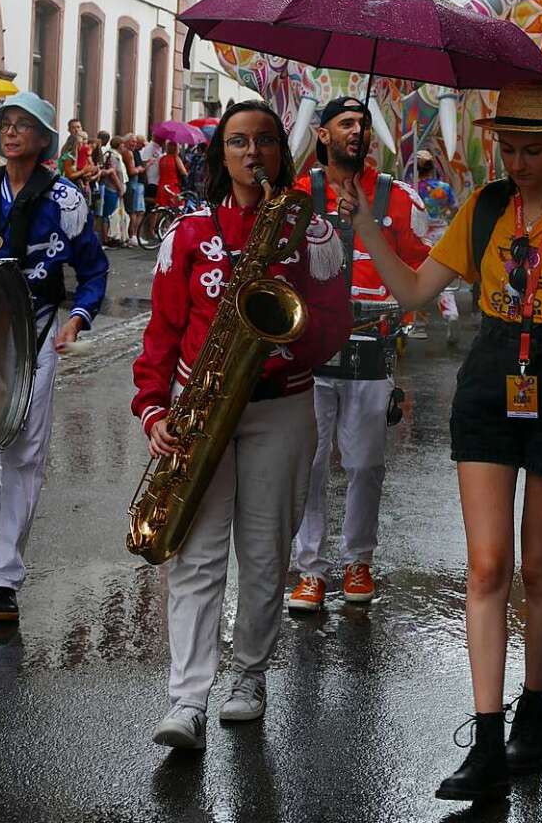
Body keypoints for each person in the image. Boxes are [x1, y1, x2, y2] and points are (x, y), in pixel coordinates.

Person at [338, 80, 542, 802]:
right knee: (483, 566)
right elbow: (414, 292)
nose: (517, 161)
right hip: (490, 378)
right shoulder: (483, 209)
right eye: (506, 147)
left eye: (531, 149)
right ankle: (484, 740)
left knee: (539, 569)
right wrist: (365, 228)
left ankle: (530, 712)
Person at [131, 99, 350, 749]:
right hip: (200, 408)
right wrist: (152, 408)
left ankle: (247, 678)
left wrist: (288, 348)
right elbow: (163, 330)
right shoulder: (188, 232)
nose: (251, 153)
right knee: (196, 559)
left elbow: (334, 322)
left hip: (281, 404)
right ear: (218, 155)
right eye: (236, 142)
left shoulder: (312, 231)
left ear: (280, 153)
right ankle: (186, 701)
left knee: (262, 557)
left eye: (263, 141)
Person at [0, 92, 108, 623]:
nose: (12, 131)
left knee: (24, 453)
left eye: (25, 125)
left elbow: (94, 271)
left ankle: (4, 575)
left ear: (44, 140)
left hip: (34, 332)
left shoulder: (66, 200)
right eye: (6, 124)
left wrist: (77, 318)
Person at [287, 96, 429, 611]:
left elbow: (422, 271)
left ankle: (358, 562)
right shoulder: (298, 195)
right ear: (322, 134)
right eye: (345, 123)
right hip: (311, 349)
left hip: (372, 346)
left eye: (363, 123)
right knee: (310, 463)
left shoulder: (398, 198)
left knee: (366, 464)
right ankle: (309, 570)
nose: (357, 130)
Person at [414, 149, 460, 342]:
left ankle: (420, 324)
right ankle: (451, 313)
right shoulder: (444, 188)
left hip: (423, 235)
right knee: (444, 280)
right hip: (442, 233)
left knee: (418, 278)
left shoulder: (414, 189)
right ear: (433, 167)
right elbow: (455, 208)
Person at [121, 134, 147, 247]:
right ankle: (132, 236)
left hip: (134, 183)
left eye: (135, 142)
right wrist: (140, 168)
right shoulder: (128, 153)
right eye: (132, 142)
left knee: (138, 211)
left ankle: (134, 235)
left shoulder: (129, 152)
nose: (134, 144)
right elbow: (131, 171)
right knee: (135, 211)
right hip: (133, 183)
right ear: (126, 142)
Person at [155, 139, 187, 208]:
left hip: (162, 185)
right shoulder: (175, 158)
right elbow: (183, 172)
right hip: (173, 186)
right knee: (176, 208)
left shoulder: (162, 159)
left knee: (162, 207)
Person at [141, 135, 163, 209]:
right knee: (152, 203)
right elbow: (144, 163)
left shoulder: (159, 148)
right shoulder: (150, 148)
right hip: (151, 180)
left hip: (157, 180)